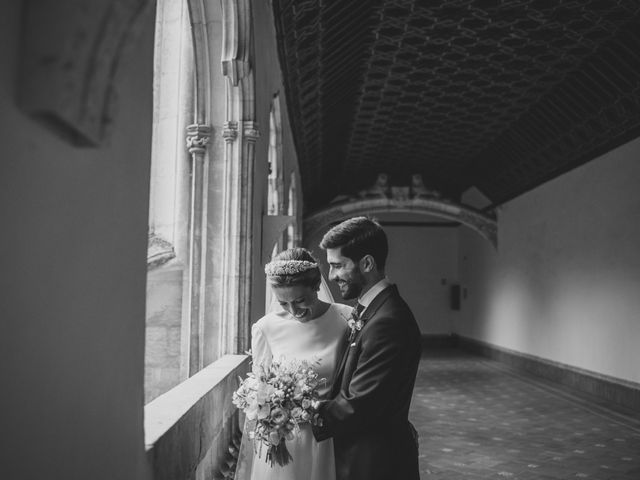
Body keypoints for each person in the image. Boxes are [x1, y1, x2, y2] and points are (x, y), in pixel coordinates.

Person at [313, 216, 421, 480]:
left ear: (367, 263)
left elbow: (359, 405)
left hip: (376, 462)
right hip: (364, 453)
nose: (331, 275)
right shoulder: (373, 310)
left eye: (338, 265)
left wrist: (304, 409)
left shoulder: (388, 321)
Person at [247, 247, 352, 480]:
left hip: (329, 436)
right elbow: (261, 389)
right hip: (284, 439)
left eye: (300, 300)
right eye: (283, 303)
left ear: (316, 286)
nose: (294, 311)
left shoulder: (346, 319)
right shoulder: (265, 329)